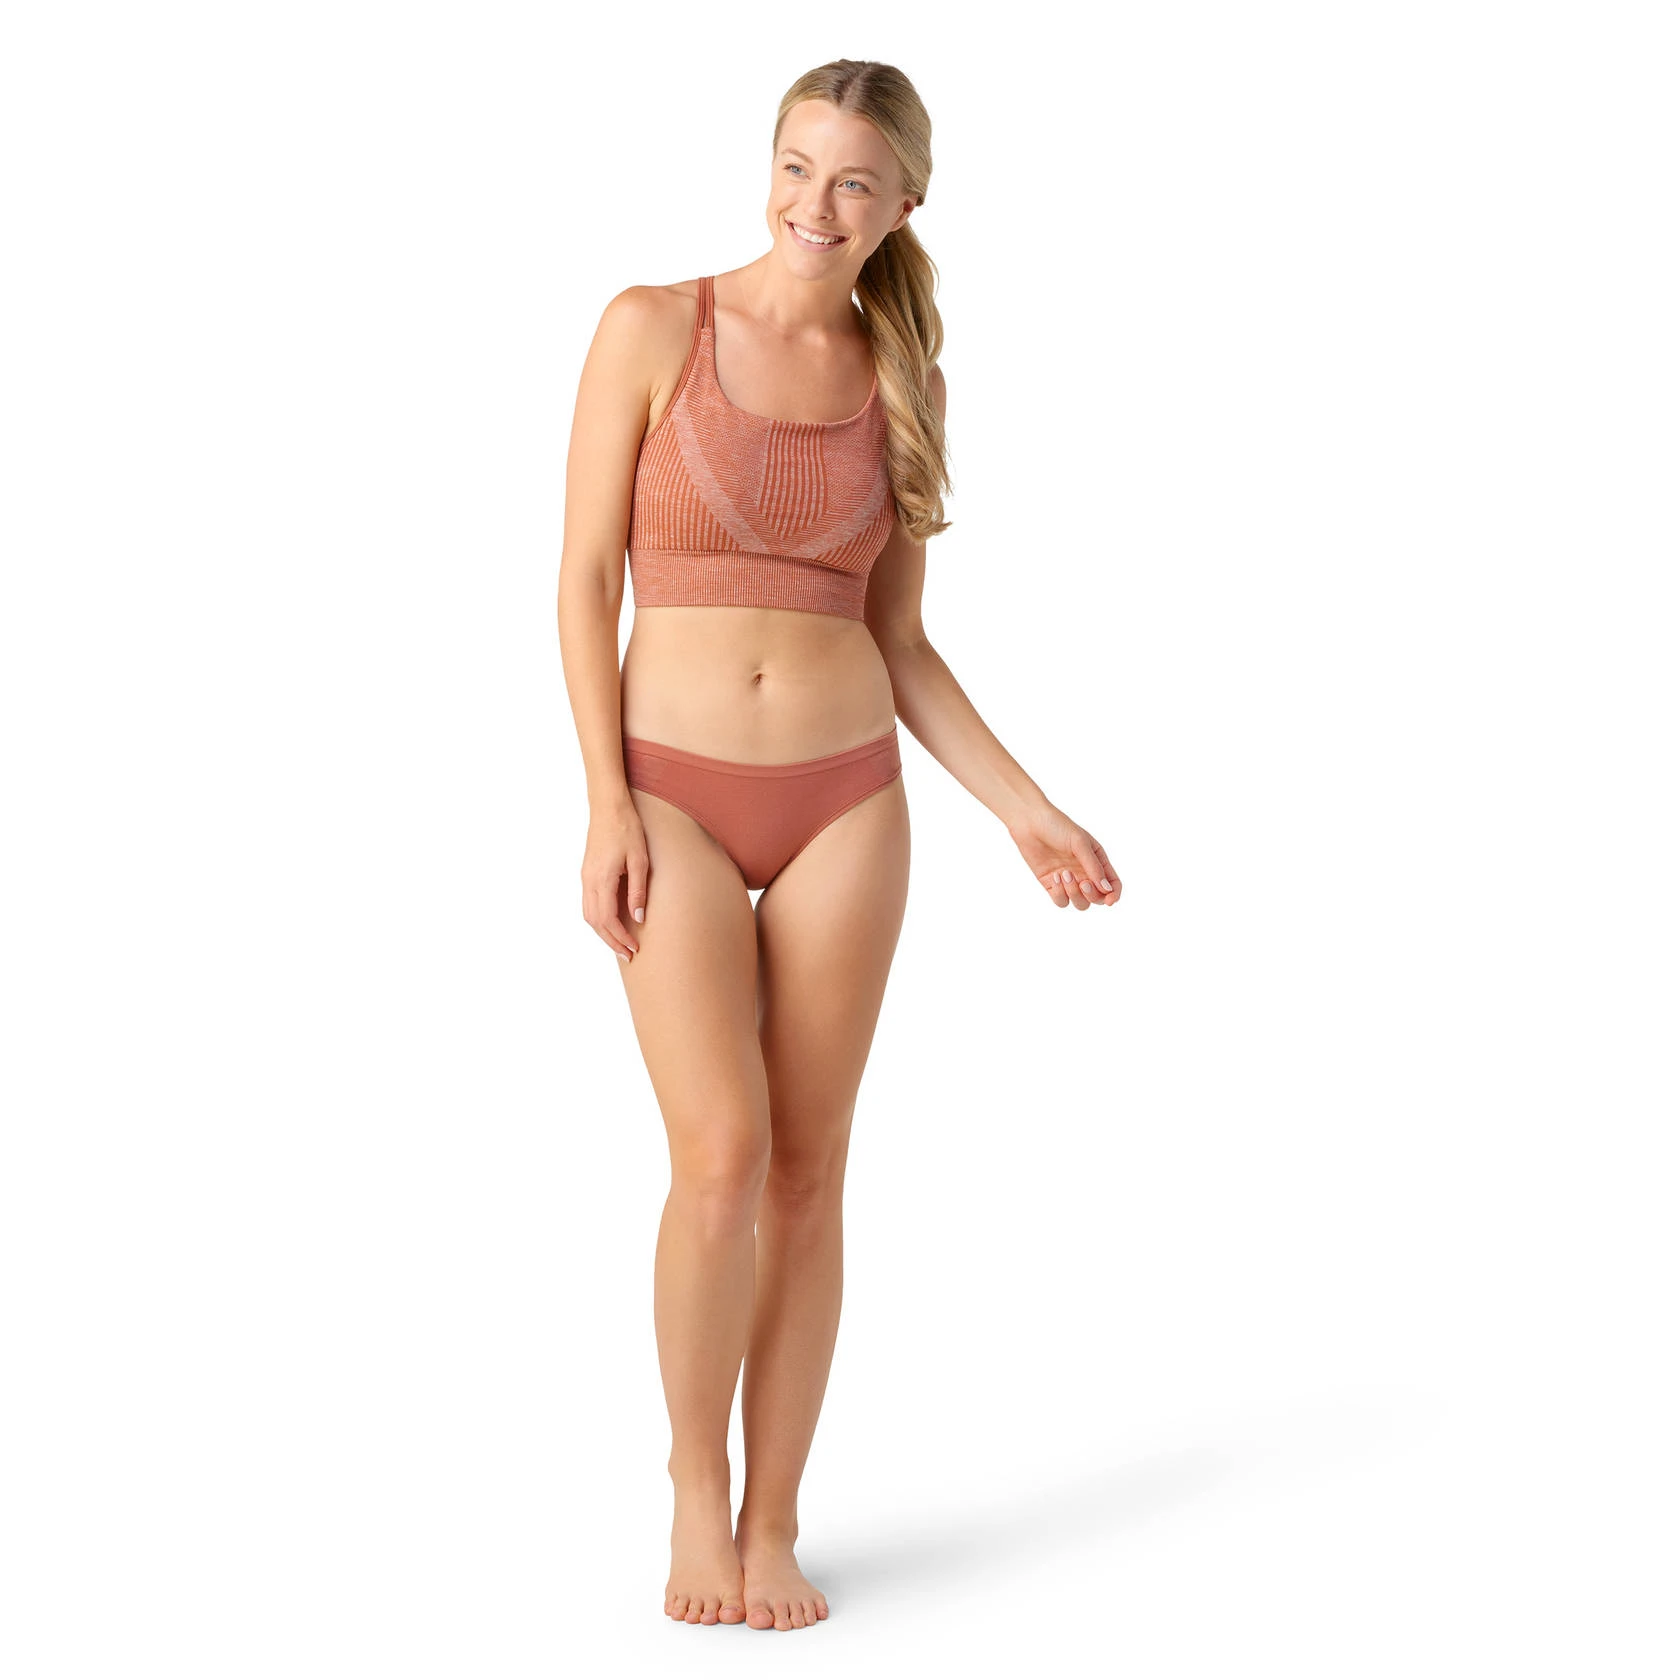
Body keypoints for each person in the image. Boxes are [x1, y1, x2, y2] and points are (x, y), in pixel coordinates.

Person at [556, 58, 1121, 1633]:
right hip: (670, 789)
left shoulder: (901, 374)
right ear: (770, 167)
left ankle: (775, 1517)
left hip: (845, 803)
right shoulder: (652, 326)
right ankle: (694, 1486)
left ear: (902, 207)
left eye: (854, 182)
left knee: (809, 1172)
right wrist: (603, 801)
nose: (816, 203)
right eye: (798, 167)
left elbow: (903, 643)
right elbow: (583, 578)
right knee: (720, 1157)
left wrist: (1026, 808)